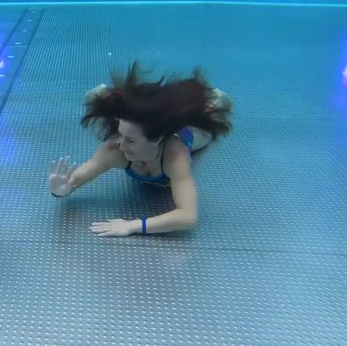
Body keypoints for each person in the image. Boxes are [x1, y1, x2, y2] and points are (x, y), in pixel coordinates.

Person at [49, 62, 233, 236]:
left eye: (130, 141)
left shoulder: (175, 155)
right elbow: (75, 180)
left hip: (183, 134)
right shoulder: (114, 150)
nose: (120, 145)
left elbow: (188, 217)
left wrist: (132, 226)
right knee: (126, 122)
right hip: (147, 129)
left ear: (157, 140)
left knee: (206, 126)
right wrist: (62, 190)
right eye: (120, 135)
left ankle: (213, 102)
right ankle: (109, 98)